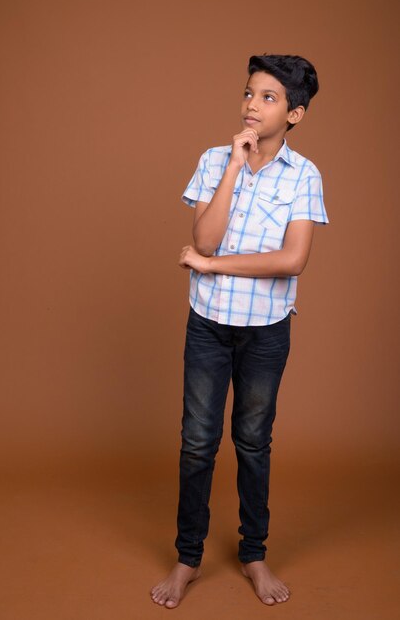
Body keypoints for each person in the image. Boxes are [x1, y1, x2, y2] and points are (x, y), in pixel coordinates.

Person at [150, 53, 329, 609]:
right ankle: (188, 558)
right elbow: (203, 240)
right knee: (198, 442)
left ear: (294, 114)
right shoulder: (212, 160)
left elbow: (292, 260)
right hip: (207, 326)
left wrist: (214, 266)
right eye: (249, 93)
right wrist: (232, 165)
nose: (253, 104)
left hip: (265, 332)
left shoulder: (305, 175)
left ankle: (254, 553)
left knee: (253, 442)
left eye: (269, 98)